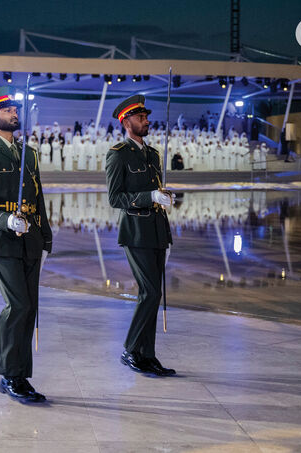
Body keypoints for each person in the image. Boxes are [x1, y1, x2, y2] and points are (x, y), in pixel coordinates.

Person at [0, 86, 53, 404]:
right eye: (7, 111)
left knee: (30, 307)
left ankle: (20, 376)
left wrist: (46, 233)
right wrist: (6, 221)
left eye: (16, 110)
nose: (15, 114)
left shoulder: (27, 152)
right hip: (1, 240)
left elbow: (37, 196)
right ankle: (9, 375)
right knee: (17, 306)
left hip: (30, 237)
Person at [105, 95, 176, 376]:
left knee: (153, 294)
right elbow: (115, 197)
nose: (146, 121)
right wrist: (149, 196)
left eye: (146, 117)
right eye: (140, 118)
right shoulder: (118, 154)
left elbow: (154, 190)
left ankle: (147, 355)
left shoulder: (153, 154)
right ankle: (131, 350)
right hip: (135, 231)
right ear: (126, 122)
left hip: (157, 230)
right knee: (150, 292)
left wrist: (162, 196)